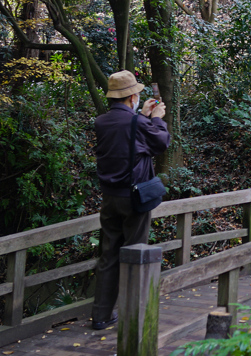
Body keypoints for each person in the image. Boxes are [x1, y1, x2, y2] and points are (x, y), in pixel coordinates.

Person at [91, 70, 170, 330]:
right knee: (136, 253)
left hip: (109, 198)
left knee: (108, 255)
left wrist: (143, 116)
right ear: (132, 97)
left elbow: (128, 138)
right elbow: (160, 143)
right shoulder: (137, 123)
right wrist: (156, 119)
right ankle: (135, 314)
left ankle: (101, 315)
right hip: (134, 197)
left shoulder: (101, 121)